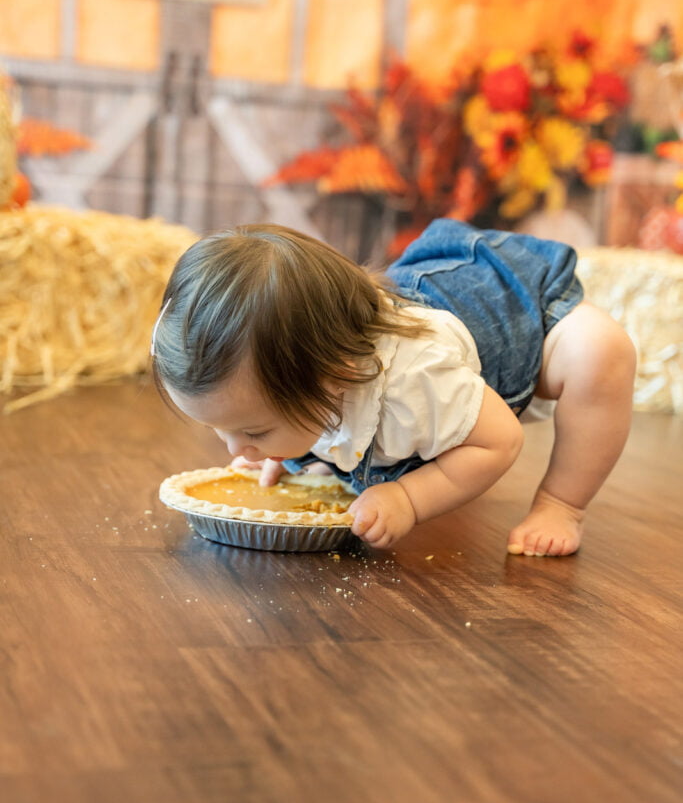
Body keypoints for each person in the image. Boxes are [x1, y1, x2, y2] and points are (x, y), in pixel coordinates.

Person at [151, 219, 636, 556]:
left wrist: (408, 499)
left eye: (253, 430)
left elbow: (500, 439)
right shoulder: (317, 372)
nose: (238, 449)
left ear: (336, 377)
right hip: (405, 335)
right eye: (222, 430)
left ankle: (562, 506)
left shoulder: (416, 379)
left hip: (522, 318)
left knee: (603, 351)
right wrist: (298, 455)